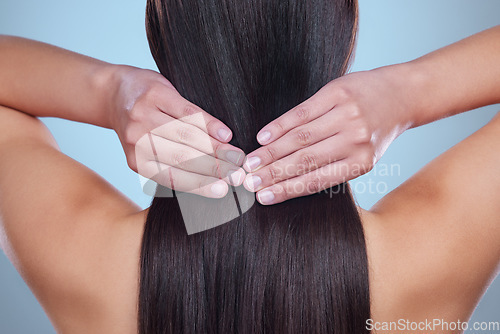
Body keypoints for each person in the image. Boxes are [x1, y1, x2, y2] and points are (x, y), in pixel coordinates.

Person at [0, 0, 498, 332]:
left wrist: (105, 92)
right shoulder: (431, 249)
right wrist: (410, 91)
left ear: (161, 30)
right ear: (339, 29)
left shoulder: (83, 253)